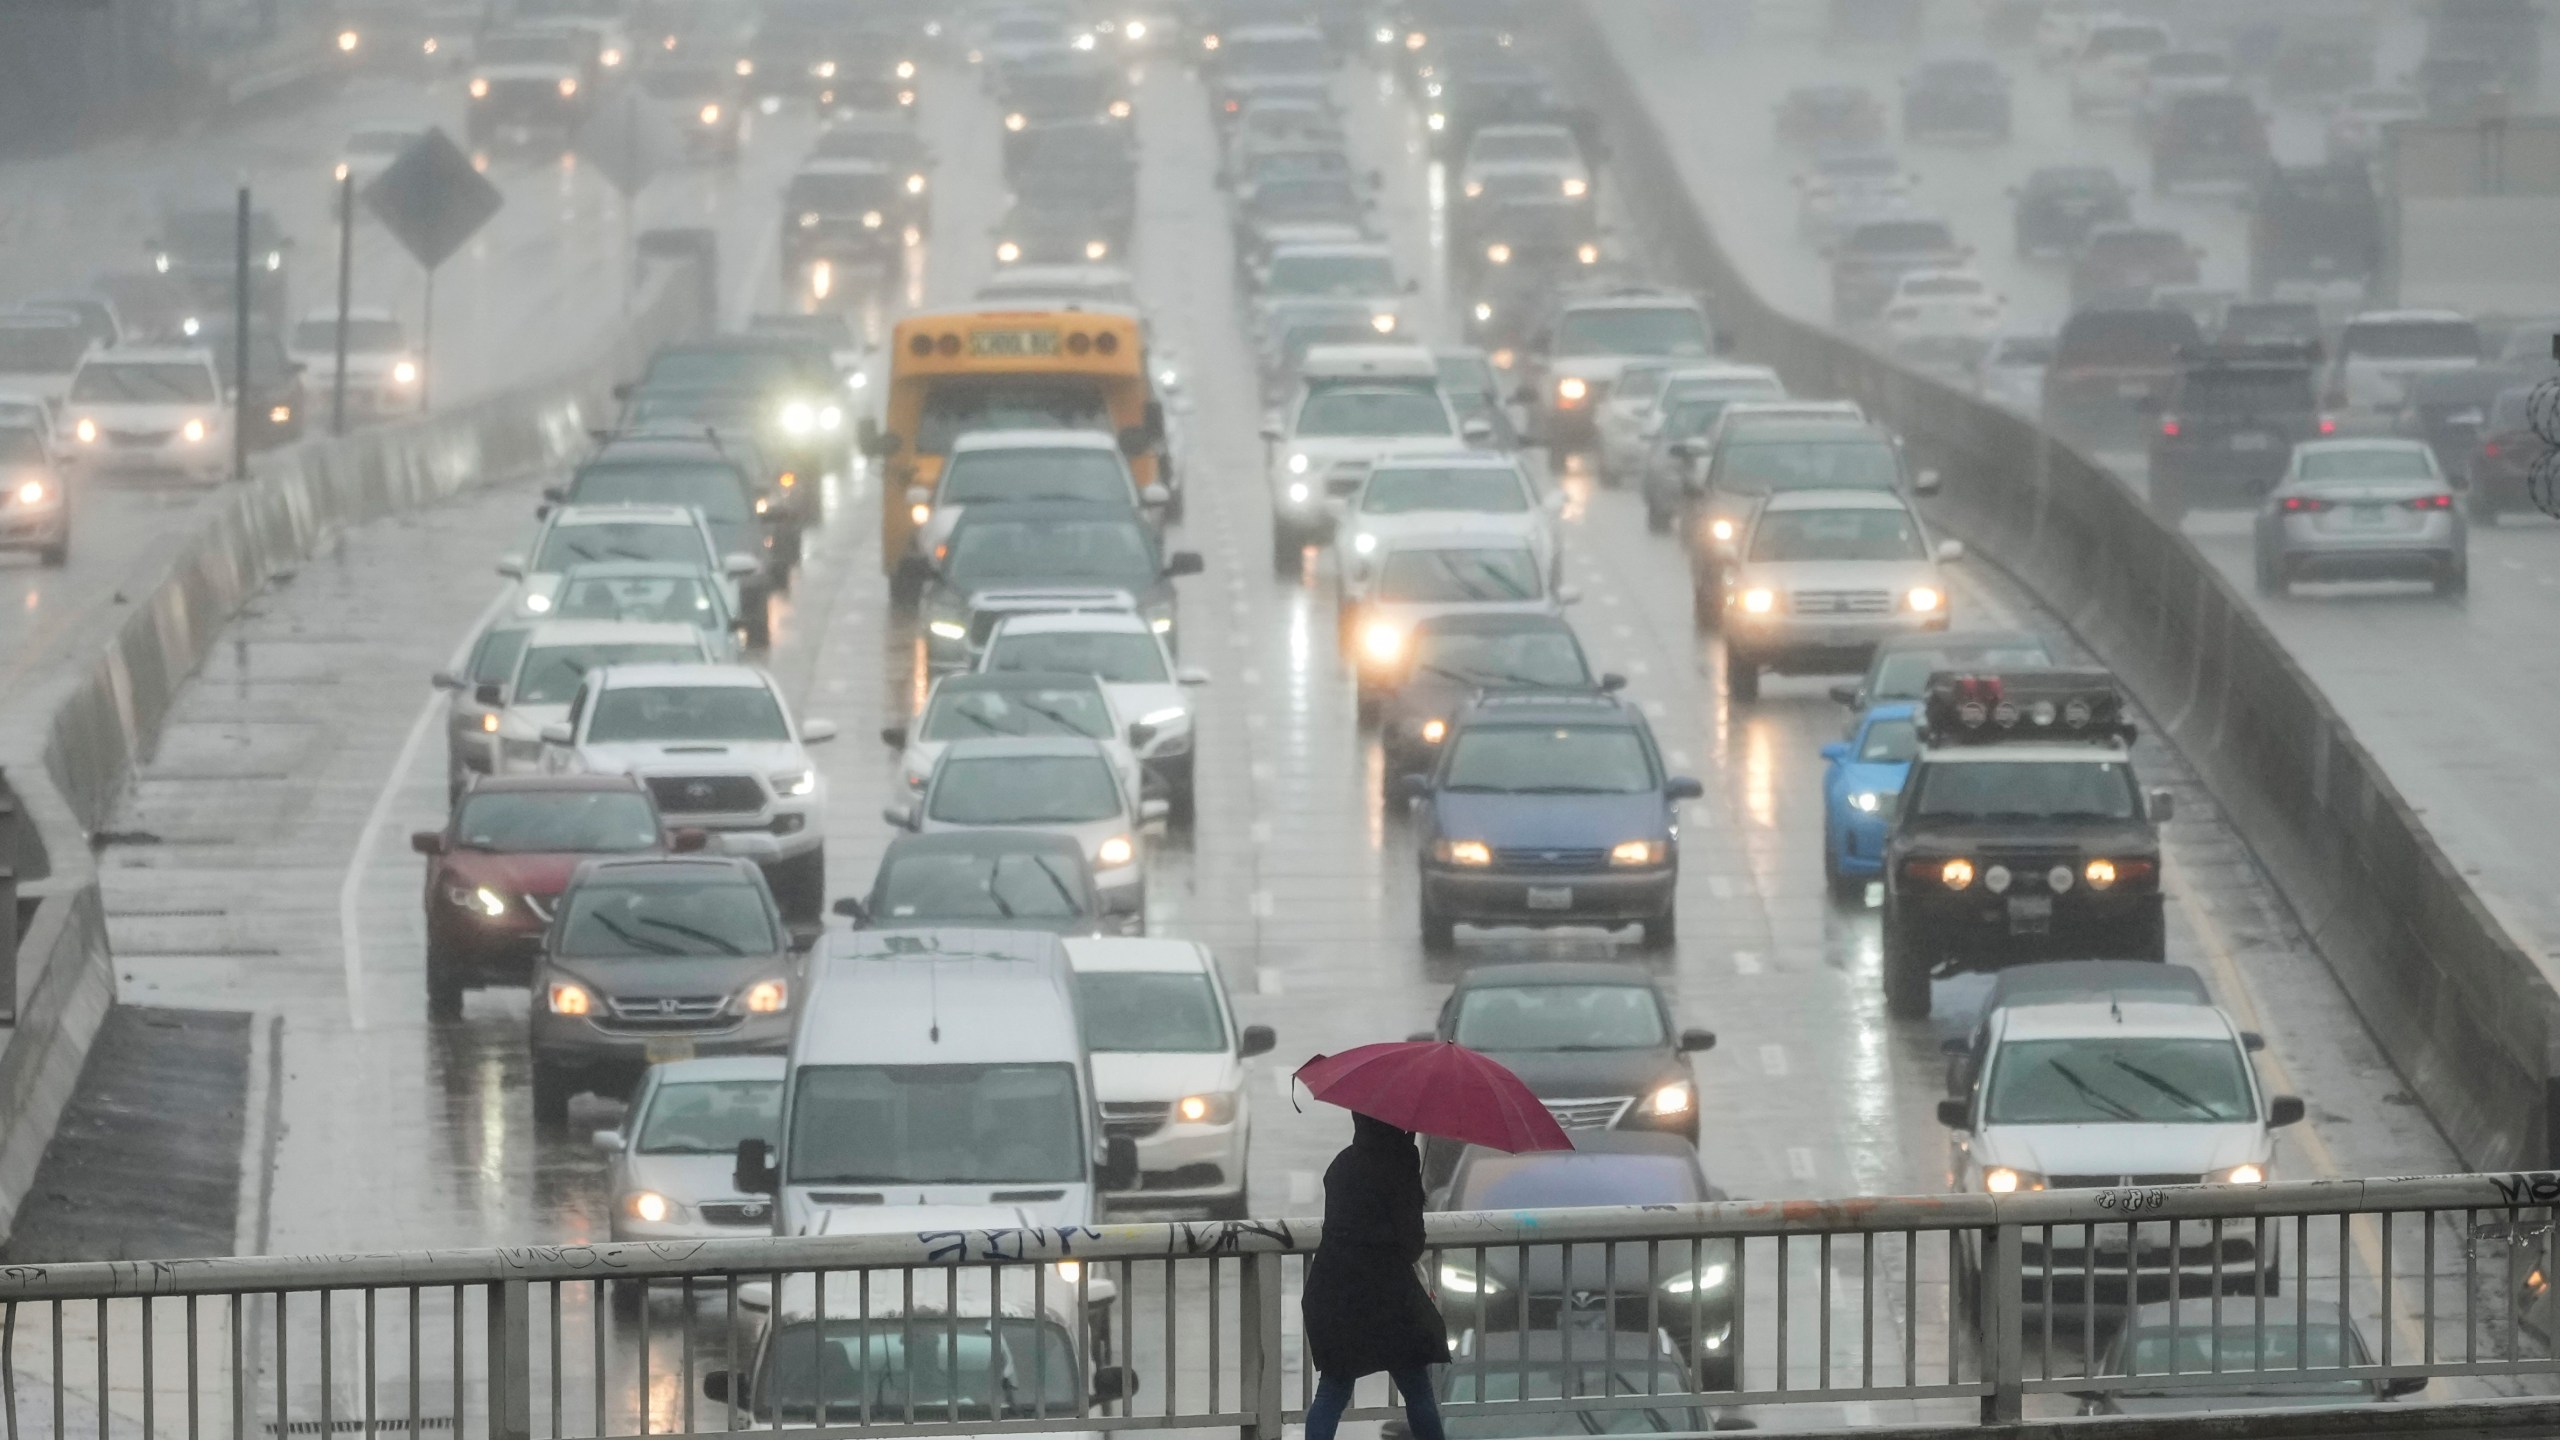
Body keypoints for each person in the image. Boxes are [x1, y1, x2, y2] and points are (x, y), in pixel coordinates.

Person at [1299, 1112, 1448, 1440]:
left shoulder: (1342, 1165)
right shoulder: (1401, 1164)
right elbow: (1411, 1245)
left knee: (1332, 1392)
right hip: (1387, 1296)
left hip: (1334, 1290)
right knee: (1417, 1390)